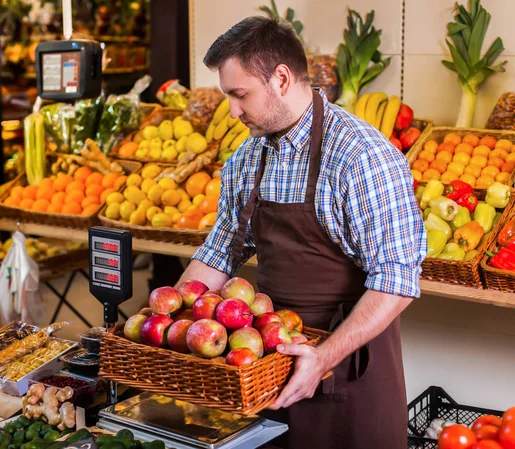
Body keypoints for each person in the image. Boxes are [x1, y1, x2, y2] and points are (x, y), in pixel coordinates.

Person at [176, 16, 427, 449]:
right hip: (264, 360)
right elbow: (218, 252)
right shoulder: (246, 159)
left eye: (240, 95)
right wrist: (169, 322)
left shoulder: (361, 156)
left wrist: (322, 358)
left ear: (281, 78)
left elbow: (397, 283)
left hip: (348, 370)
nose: (233, 112)